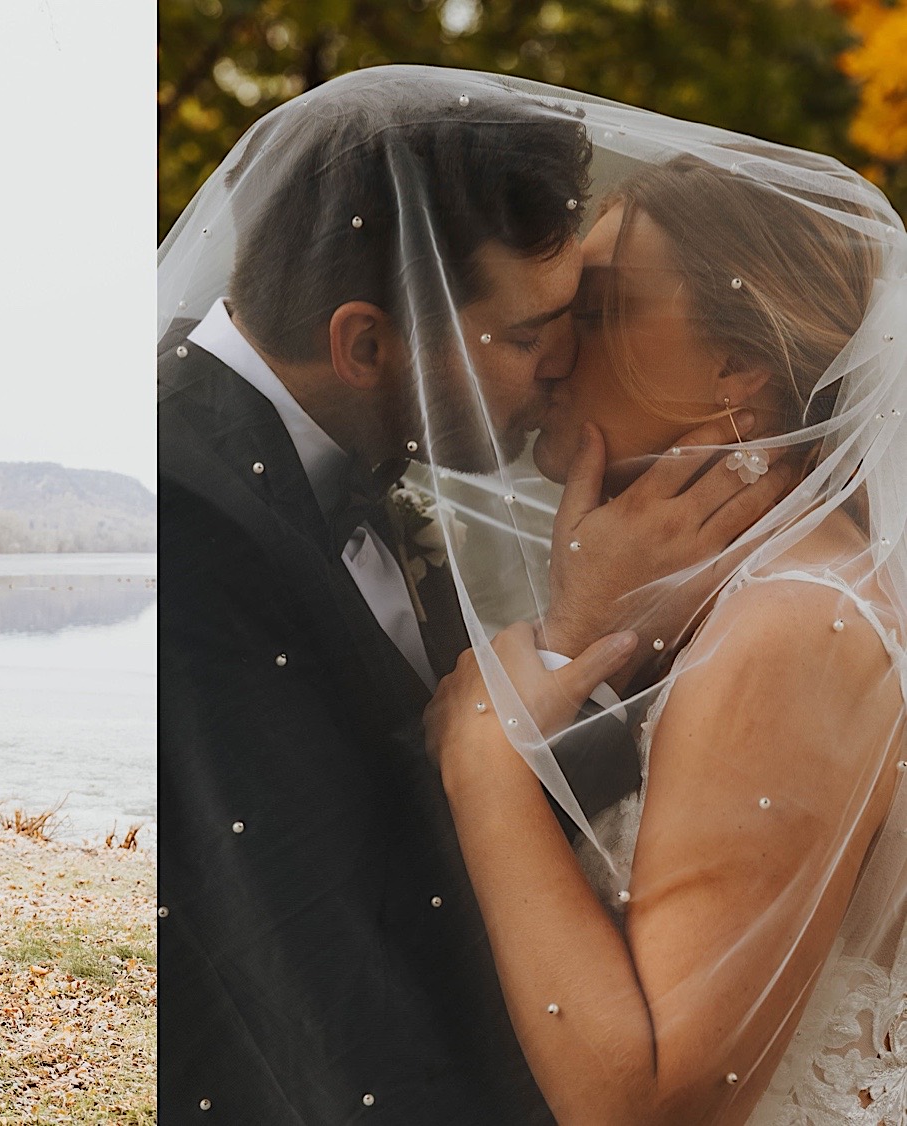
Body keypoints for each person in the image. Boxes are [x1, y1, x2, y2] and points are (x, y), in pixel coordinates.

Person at [157, 68, 792, 1122]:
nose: (568, 360)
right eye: (532, 330)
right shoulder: (186, 528)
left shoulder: (362, 452)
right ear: (366, 344)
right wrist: (578, 640)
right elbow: (312, 945)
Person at [427, 144, 907, 1123]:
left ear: (739, 366)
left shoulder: (789, 626)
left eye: (596, 312)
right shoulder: (779, 593)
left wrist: (485, 755)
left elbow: (650, 1107)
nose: (553, 349)